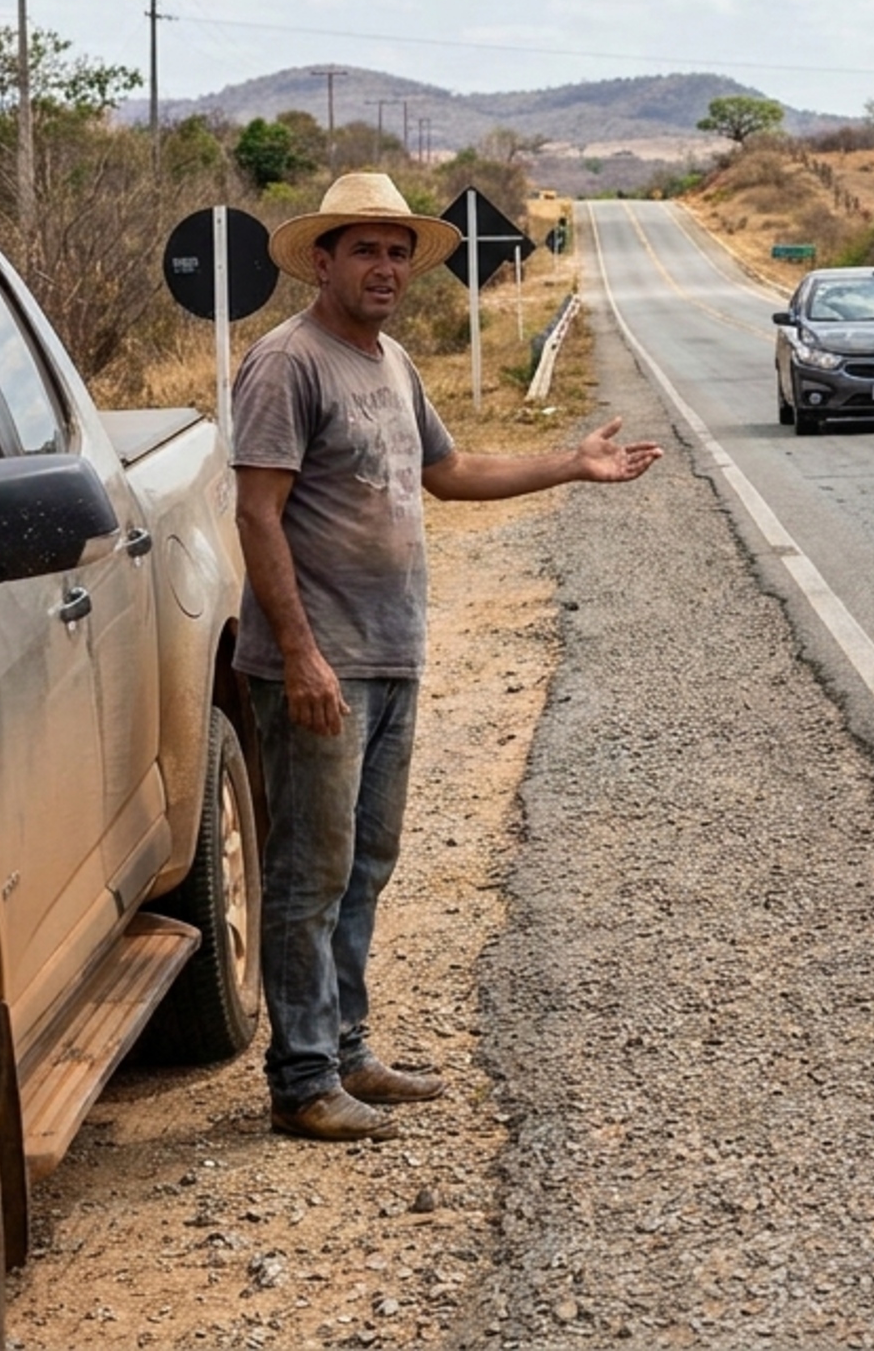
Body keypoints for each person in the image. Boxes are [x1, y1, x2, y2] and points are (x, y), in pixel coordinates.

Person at [234, 172, 661, 1142]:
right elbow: (256, 513)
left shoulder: (389, 363)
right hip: (319, 665)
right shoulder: (285, 363)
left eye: (397, 253)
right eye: (365, 251)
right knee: (311, 869)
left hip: (392, 656)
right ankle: (301, 1079)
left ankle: (345, 1051)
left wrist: (570, 465)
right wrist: (300, 656)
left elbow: (451, 472)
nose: (385, 268)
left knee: (367, 861)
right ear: (323, 260)